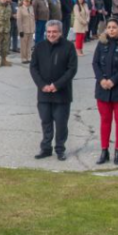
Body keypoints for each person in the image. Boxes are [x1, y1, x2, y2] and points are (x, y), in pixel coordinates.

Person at [29, 20, 77, 161]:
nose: (51, 34)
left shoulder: (68, 47)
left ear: (60, 32)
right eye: (49, 32)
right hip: (43, 93)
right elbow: (33, 67)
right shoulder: (39, 47)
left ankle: (60, 149)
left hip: (62, 94)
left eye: (54, 32)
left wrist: (57, 85)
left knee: (61, 123)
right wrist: (42, 85)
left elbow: (72, 69)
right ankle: (46, 148)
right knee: (46, 121)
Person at [92, 17, 118, 166]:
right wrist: (101, 80)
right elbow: (95, 63)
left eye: (114, 27)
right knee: (105, 120)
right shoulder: (101, 43)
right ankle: (104, 151)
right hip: (102, 89)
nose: (111, 30)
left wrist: (113, 81)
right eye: (109, 27)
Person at [17, 0, 35, 64]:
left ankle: (29, 57)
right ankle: (23, 58)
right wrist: (20, 30)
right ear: (23, 1)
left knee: (29, 45)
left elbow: (33, 19)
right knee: (23, 45)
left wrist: (34, 28)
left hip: (30, 29)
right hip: (24, 30)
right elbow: (19, 20)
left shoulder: (31, 8)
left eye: (28, 1)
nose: (27, 2)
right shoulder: (20, 9)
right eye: (25, 1)